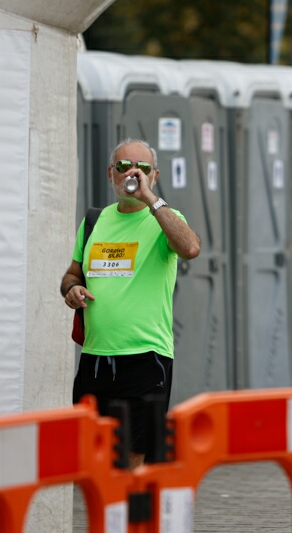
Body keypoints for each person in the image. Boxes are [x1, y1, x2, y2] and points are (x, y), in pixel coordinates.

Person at [60, 138, 200, 469]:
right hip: (95, 357)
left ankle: (132, 505)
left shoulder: (165, 218)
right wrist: (72, 289)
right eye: (123, 167)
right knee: (91, 457)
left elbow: (190, 248)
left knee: (134, 457)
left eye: (142, 168)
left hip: (145, 357)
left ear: (155, 175)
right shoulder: (94, 221)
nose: (132, 174)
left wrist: (150, 198)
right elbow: (72, 274)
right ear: (110, 173)